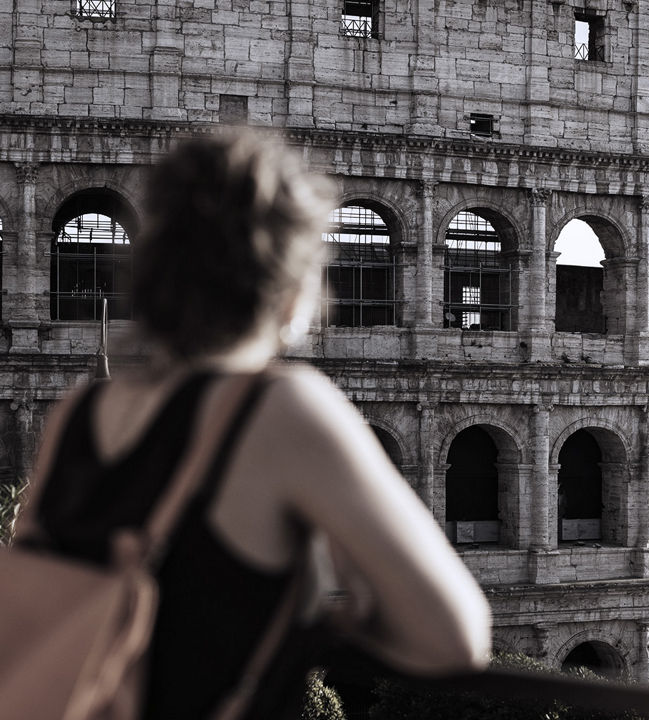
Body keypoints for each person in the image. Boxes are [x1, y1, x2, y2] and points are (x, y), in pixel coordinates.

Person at [14, 133, 490, 719]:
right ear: (293, 295)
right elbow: (455, 637)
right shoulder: (281, 408)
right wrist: (330, 618)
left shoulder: (79, 411)